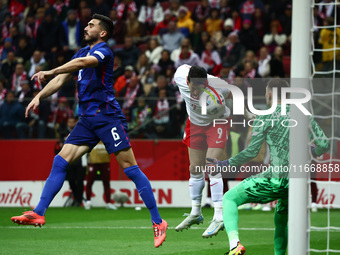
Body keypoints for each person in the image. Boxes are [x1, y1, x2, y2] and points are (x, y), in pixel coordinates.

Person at [11, 14, 167, 248]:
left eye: (91, 25)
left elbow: (82, 65)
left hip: (107, 118)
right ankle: (39, 212)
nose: (86, 27)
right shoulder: (80, 52)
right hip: (87, 120)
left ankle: (158, 221)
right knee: (60, 160)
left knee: (130, 168)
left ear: (103, 33)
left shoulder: (104, 51)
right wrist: (39, 96)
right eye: (86, 24)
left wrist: (51, 70)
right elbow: (62, 78)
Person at [206, 79, 330, 254]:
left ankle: (235, 244)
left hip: (274, 178)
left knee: (229, 198)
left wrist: (225, 164)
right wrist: (313, 150)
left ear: (270, 94)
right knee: (281, 220)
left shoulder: (265, 116)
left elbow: (251, 152)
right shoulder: (304, 114)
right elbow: (324, 144)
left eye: (266, 91)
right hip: (295, 182)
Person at [173, 64, 252, 238]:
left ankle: (218, 215)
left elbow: (234, 93)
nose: (195, 91)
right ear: (187, 81)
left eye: (200, 87)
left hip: (218, 122)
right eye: (193, 86)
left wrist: (246, 113)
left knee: (211, 165)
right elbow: (185, 66)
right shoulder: (180, 75)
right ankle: (196, 212)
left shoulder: (217, 86)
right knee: (194, 168)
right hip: (194, 123)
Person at [84, 141, 117, 210]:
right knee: (89, 182)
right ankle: (88, 202)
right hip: (93, 162)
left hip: (105, 162)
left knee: (106, 182)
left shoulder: (106, 137)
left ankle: (108, 203)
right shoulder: (92, 137)